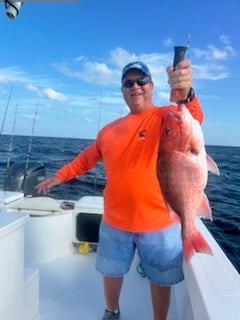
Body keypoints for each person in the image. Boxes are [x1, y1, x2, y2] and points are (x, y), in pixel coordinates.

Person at [36, 60, 203, 320]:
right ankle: (111, 311)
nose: (135, 86)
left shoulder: (167, 116)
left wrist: (187, 91)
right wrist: (58, 177)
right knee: (111, 272)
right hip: (115, 221)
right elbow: (85, 159)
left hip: (160, 222)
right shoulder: (109, 130)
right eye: (128, 82)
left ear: (151, 85)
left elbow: (193, 118)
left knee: (160, 279)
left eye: (141, 81)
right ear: (122, 90)